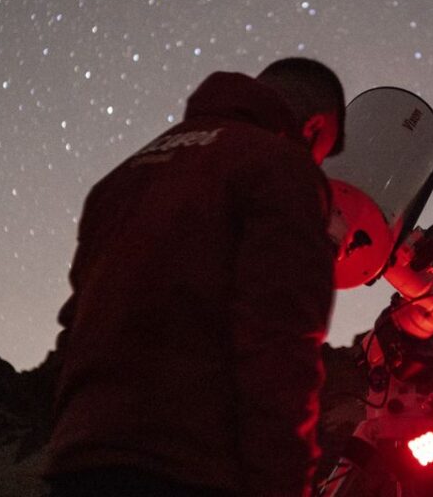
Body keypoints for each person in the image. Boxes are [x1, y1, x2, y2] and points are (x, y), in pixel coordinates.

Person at [44, 58, 346, 497]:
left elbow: (76, 330)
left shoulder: (119, 179)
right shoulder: (281, 166)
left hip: (80, 462)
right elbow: (280, 341)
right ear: (315, 128)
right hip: (191, 468)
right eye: (320, 154)